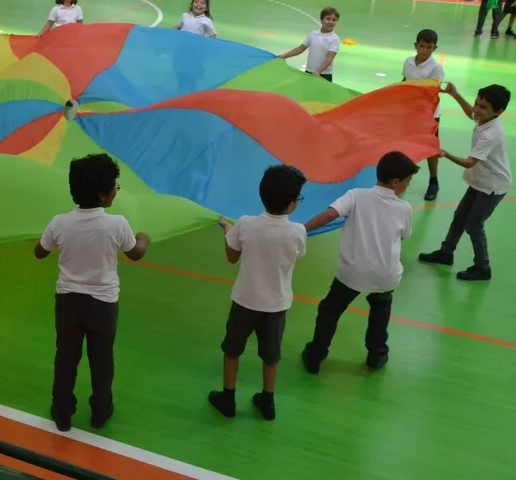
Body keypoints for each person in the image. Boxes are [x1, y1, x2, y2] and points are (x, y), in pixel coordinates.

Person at [34, 153, 150, 432]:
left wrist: (48, 240)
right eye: (114, 187)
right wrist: (145, 237)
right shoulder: (117, 224)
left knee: (66, 356)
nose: (115, 192)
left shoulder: (59, 222)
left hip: (68, 301)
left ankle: (62, 410)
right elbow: (136, 253)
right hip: (103, 304)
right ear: (102, 195)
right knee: (102, 358)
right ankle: (101, 410)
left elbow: (40, 252)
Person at [300, 152, 418, 374]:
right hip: (386, 274)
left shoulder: (356, 196)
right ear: (395, 182)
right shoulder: (404, 209)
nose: (407, 186)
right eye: (407, 182)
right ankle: (377, 355)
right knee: (380, 312)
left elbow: (329, 215)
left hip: (353, 273)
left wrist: (302, 230)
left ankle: (315, 355)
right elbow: (403, 235)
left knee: (330, 310)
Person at [209, 165, 307, 421]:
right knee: (271, 355)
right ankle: (268, 401)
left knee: (232, 350)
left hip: (245, 301)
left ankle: (228, 397)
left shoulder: (245, 224)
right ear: (291, 203)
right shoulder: (298, 232)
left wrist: (227, 231)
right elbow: (295, 254)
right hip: (277, 304)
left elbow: (232, 257)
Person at [419, 83, 510, 281]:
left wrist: (445, 153)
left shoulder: (490, 134)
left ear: (498, 112)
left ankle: (483, 267)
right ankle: (446, 252)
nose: (476, 109)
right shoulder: (485, 120)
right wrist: (456, 94)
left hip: (492, 186)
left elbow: (469, 163)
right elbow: (472, 114)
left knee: (474, 225)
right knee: (460, 217)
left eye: (483, 107)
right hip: (480, 180)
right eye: (476, 103)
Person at [401, 29, 444, 201]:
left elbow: (432, 93)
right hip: (410, 112)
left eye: (429, 47)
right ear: (415, 45)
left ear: (435, 48)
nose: (424, 50)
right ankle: (405, 177)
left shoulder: (436, 68)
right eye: (421, 46)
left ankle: (434, 181)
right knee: (406, 145)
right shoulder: (408, 62)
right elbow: (406, 81)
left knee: (430, 149)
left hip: (429, 115)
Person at [276, 7, 341, 82]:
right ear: (322, 20)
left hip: (324, 74)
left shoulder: (335, 39)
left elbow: (329, 58)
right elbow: (300, 49)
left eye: (334, 20)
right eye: (328, 19)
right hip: (309, 72)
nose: (330, 22)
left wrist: (318, 72)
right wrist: (285, 55)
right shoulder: (313, 34)